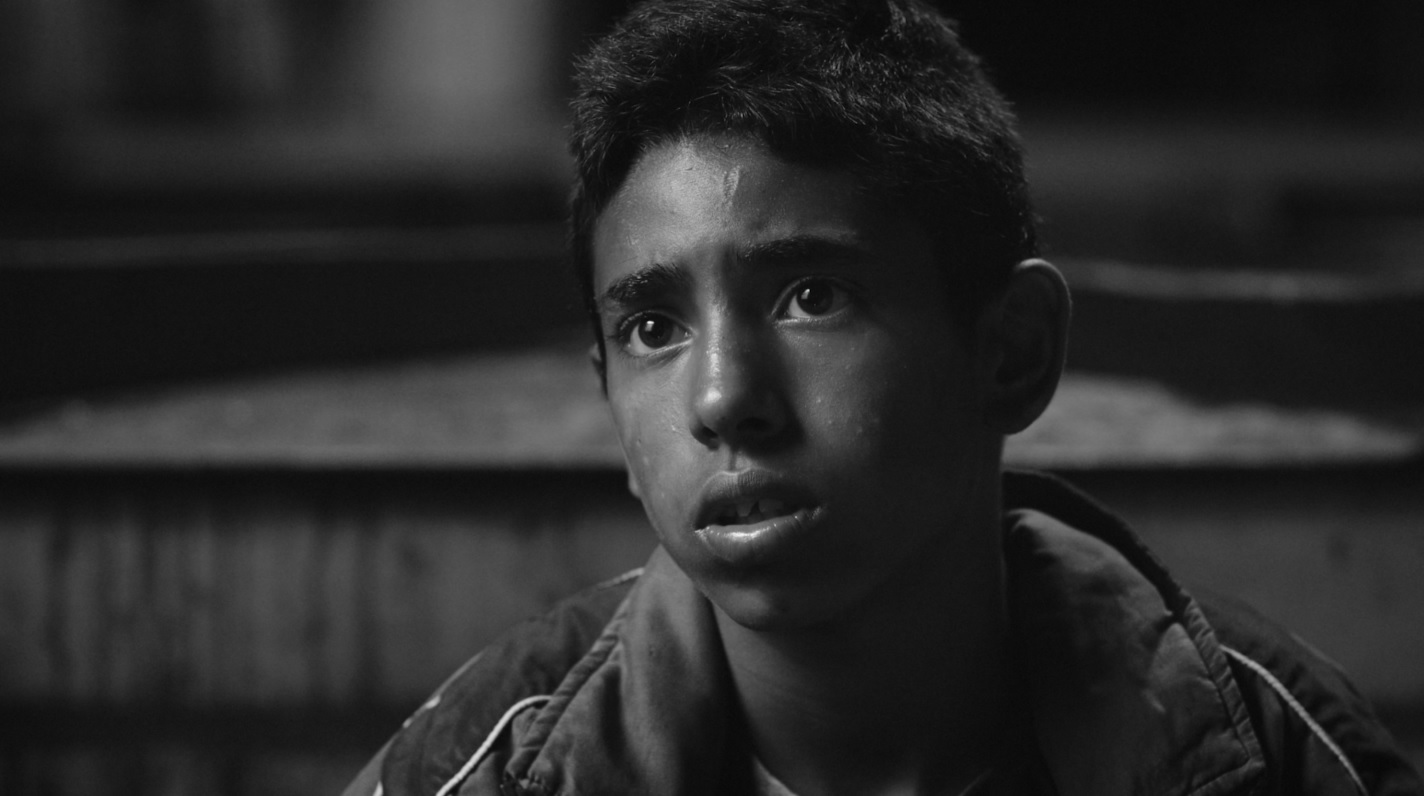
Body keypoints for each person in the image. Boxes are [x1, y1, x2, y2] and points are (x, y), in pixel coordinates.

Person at [344, 1, 1423, 793]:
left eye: (812, 297)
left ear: (1009, 352)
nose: (721, 398)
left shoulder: (1271, 751)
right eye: (653, 329)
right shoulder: (491, 765)